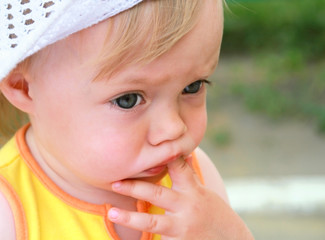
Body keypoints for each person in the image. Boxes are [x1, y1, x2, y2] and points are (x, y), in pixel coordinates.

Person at [0, 0, 254, 239]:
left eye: (192, 86)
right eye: (128, 100)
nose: (174, 128)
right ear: (24, 87)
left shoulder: (198, 181)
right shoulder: (8, 211)